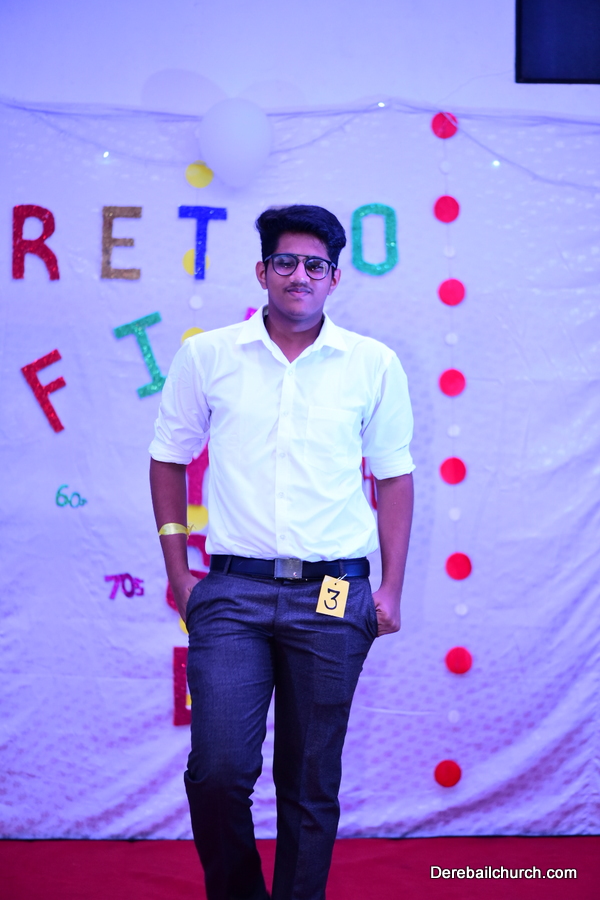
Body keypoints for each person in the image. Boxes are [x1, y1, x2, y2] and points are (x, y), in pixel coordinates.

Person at [149, 204, 414, 900]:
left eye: (316, 265)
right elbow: (168, 457)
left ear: (334, 277)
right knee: (218, 772)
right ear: (262, 271)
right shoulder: (208, 356)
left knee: (310, 780)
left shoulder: (372, 364)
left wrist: (390, 588)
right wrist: (179, 571)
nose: (301, 275)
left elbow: (394, 476)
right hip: (232, 593)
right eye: (286, 262)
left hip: (334, 594)